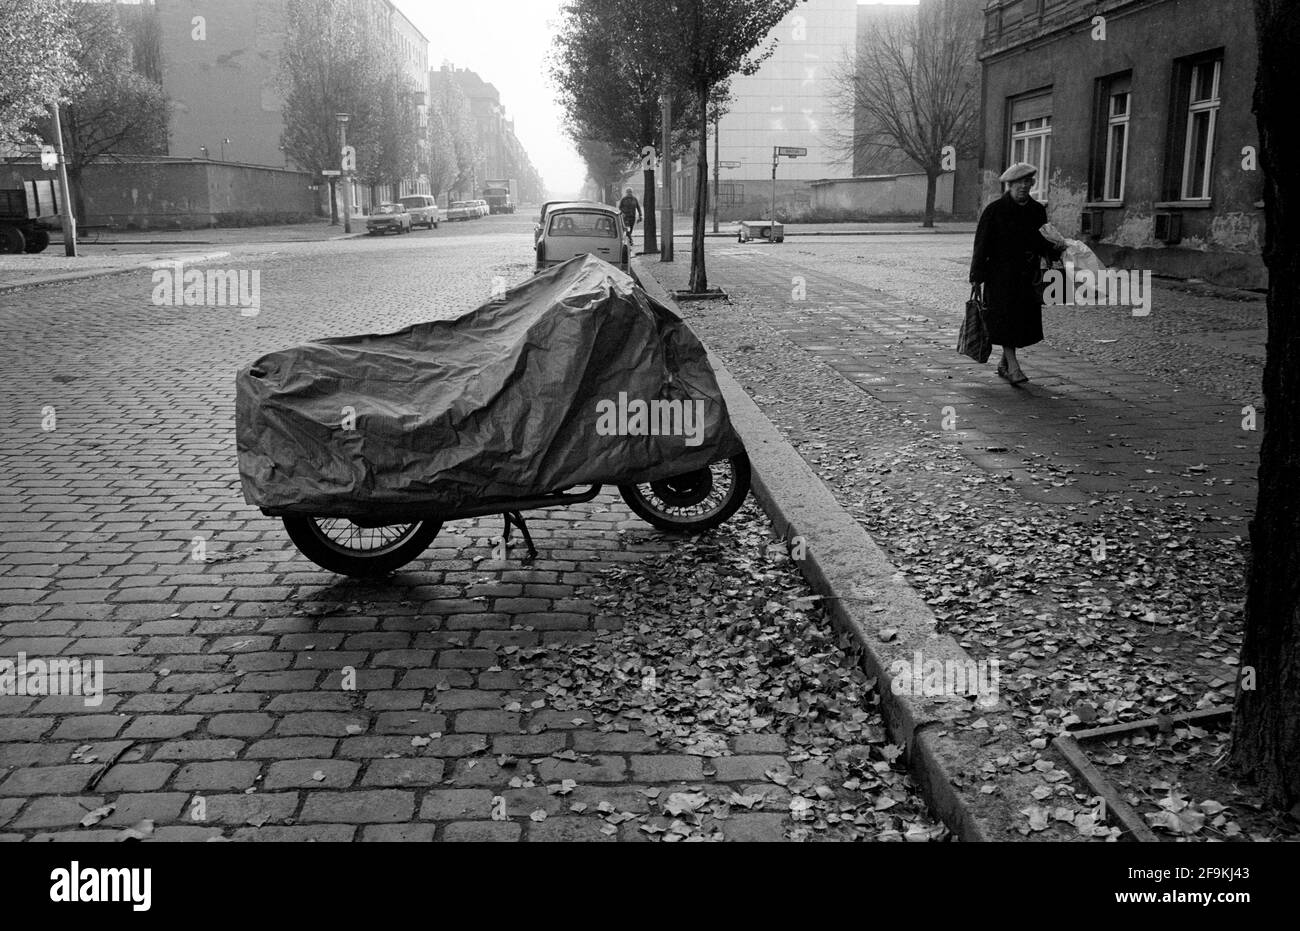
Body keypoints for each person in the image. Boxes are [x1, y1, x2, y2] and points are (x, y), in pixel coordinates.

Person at [969, 162, 1066, 385]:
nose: (1023, 186)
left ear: (1032, 183)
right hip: (1000, 276)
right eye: (1017, 183)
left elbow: (1042, 240)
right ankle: (1013, 367)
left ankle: (1004, 363)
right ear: (1009, 185)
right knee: (1005, 320)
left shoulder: (1037, 210)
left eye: (1026, 182)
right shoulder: (994, 211)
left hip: (1027, 276)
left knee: (1020, 323)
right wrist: (976, 275)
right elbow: (981, 245)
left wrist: (1056, 248)